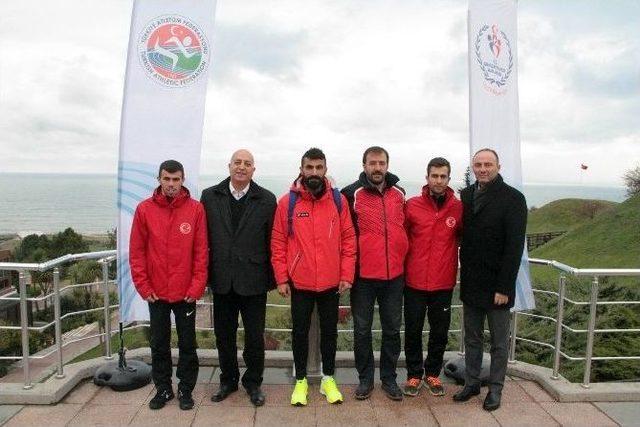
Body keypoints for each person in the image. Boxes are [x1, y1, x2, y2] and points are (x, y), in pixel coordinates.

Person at [271, 147, 357, 406]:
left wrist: (347, 274)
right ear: (302, 169)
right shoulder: (288, 202)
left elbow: (349, 240)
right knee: (299, 332)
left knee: (330, 333)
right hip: (300, 283)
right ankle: (300, 381)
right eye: (310, 167)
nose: (314, 172)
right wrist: (282, 278)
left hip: (332, 283)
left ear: (325, 170)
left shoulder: (338, 200)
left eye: (319, 168)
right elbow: (278, 242)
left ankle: (328, 379)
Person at [129, 159, 208, 411]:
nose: (171, 184)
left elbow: (201, 253)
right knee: (159, 344)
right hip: (157, 293)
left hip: (186, 293)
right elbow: (137, 251)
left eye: (176, 179)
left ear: (183, 180)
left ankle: (186, 390)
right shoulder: (144, 210)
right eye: (167, 179)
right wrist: (143, 286)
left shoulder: (196, 210)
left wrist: (196, 287)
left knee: (187, 344)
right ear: (159, 179)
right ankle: (163, 389)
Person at [200, 149, 277, 407]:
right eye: (237, 162)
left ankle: (253, 383)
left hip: (254, 280)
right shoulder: (210, 196)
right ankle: (228, 380)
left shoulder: (266, 199)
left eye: (247, 163)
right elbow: (203, 240)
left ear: (254, 169)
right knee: (224, 336)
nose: (242, 167)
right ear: (229, 166)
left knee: (255, 337)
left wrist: (273, 279)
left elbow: (271, 242)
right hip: (222, 278)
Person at [453, 148, 527, 411]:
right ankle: (472, 383)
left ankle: (495, 389)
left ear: (498, 166)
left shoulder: (514, 199)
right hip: (472, 282)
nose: (482, 169)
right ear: (473, 167)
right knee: (472, 338)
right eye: (478, 165)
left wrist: (504, 287)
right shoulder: (466, 195)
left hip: (498, 286)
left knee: (498, 342)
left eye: (488, 164)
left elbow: (514, 247)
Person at [341, 146, 408, 401]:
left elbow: (406, 229)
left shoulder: (399, 193)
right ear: (364, 165)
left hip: (394, 276)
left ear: (387, 165)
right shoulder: (350, 194)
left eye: (381, 163)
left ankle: (389, 380)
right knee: (362, 330)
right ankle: (365, 380)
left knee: (392, 330)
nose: (377, 168)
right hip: (363, 277)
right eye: (372, 163)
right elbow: (344, 235)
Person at [402, 157, 462, 397]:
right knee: (413, 330)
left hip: (443, 282)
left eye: (443, 176)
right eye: (434, 176)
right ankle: (415, 374)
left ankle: (433, 374)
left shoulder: (458, 208)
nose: (438, 180)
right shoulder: (411, 205)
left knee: (439, 331)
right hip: (414, 281)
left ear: (448, 179)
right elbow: (401, 239)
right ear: (427, 178)